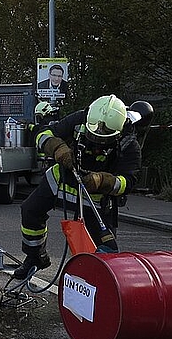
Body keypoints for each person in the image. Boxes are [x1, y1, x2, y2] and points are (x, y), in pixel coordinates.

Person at [13, 94, 142, 279]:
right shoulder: (79, 119)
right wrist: (57, 147)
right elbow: (44, 133)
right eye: (92, 135)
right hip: (61, 180)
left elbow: (128, 182)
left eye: (103, 140)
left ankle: (97, 284)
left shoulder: (129, 145)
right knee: (30, 211)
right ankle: (35, 257)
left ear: (118, 132)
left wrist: (101, 181)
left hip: (95, 198)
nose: (96, 142)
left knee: (103, 249)